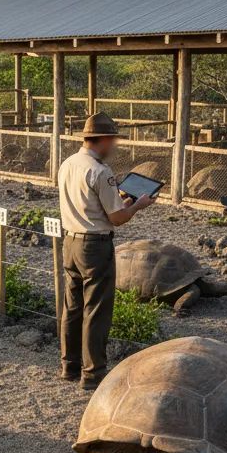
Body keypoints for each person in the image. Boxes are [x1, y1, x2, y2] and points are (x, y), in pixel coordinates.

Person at [57, 112, 155, 391]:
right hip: (95, 245)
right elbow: (116, 219)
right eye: (114, 140)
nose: (115, 146)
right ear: (104, 139)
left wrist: (120, 201)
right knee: (96, 310)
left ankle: (69, 365)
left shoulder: (68, 163)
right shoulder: (101, 171)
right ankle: (93, 373)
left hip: (70, 241)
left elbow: (96, 204)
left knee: (72, 306)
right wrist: (137, 205)